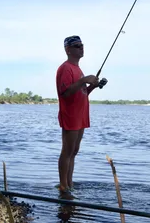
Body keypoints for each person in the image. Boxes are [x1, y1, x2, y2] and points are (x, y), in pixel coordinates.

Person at [55, 35, 108, 194]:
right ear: (68, 50)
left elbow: (82, 92)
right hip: (70, 115)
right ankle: (63, 186)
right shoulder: (65, 68)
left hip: (81, 115)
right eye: (77, 46)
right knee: (67, 151)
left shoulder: (78, 69)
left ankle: (69, 184)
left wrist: (94, 86)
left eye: (82, 45)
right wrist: (83, 80)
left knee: (74, 151)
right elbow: (64, 93)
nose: (81, 48)